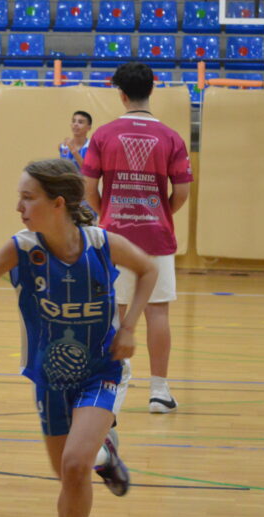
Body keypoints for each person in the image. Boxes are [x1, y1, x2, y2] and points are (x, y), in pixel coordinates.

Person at [0, 158, 157, 517]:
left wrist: (129, 327)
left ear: (57, 204)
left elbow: (149, 269)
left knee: (73, 465)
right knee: (68, 474)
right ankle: (104, 455)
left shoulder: (102, 244)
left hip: (102, 370)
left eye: (28, 198)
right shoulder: (23, 249)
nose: (19, 207)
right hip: (51, 378)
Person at [82, 62, 192, 414]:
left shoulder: (103, 135)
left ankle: (110, 386)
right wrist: (158, 214)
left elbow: (87, 188)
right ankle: (159, 391)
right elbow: (183, 191)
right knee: (157, 312)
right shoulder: (172, 137)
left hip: (113, 237)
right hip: (156, 237)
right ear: (151, 90)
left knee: (112, 313)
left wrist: (108, 216)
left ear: (121, 93)